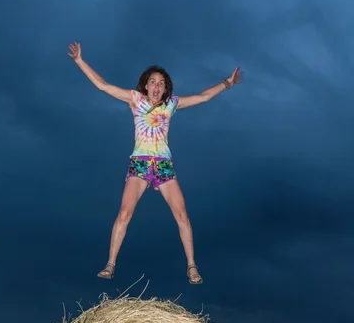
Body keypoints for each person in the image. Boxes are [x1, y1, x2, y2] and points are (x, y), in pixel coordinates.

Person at [67, 42, 243, 284]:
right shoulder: (135, 99)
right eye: (153, 82)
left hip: (163, 166)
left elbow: (202, 97)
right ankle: (110, 264)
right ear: (146, 85)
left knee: (182, 215)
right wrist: (79, 61)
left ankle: (192, 266)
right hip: (139, 164)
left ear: (165, 87)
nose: (157, 86)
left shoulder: (171, 104)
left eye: (161, 83)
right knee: (125, 212)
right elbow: (103, 86)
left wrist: (227, 83)